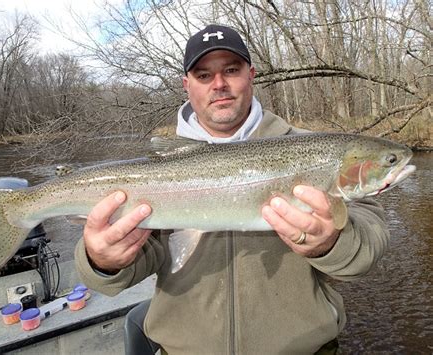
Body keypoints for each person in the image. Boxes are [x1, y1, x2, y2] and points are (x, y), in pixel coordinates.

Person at [74, 24, 389, 354]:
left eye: (231, 70)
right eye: (204, 75)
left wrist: (331, 243)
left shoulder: (319, 150)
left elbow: (367, 251)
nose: (219, 84)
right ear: (187, 85)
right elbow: (122, 274)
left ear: (251, 74)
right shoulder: (157, 167)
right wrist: (101, 261)